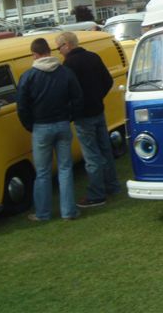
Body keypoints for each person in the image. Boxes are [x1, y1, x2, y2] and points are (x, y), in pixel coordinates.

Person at [16, 38, 83, 221]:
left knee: (43, 172)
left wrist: (30, 125)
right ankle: (68, 211)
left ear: (35, 54)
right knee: (65, 169)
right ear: (49, 51)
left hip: (41, 127)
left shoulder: (28, 76)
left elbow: (22, 106)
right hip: (62, 123)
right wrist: (70, 116)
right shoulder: (65, 72)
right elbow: (77, 97)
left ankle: (42, 213)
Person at [56, 31, 120, 208]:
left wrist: (73, 110)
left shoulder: (69, 64)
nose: (59, 51)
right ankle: (112, 185)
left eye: (59, 47)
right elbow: (107, 81)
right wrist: (97, 97)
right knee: (105, 150)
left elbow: (68, 92)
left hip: (83, 116)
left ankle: (96, 194)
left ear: (67, 45)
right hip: (98, 110)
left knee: (91, 156)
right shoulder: (93, 57)